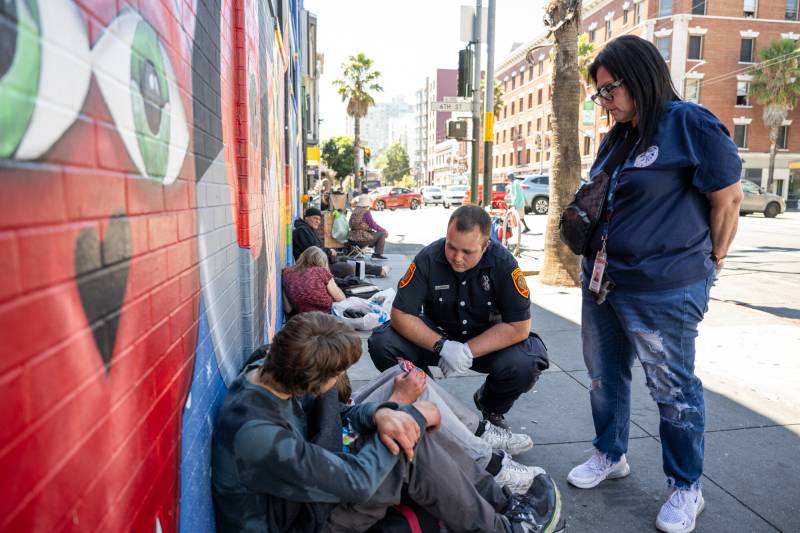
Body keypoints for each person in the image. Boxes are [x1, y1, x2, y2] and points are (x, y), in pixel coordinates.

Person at [565, 35, 743, 533]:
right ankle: (610, 453)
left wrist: (713, 263)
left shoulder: (690, 123)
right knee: (603, 375)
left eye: (609, 89)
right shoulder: (618, 135)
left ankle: (686, 487)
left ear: (639, 76)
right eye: (598, 93)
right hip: (603, 281)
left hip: (664, 287)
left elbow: (727, 200)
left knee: (672, 388)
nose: (604, 101)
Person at [211, 312, 563, 533]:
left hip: (311, 490)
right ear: (310, 380)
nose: (338, 383)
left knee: (403, 427)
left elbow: (342, 414)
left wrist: (382, 413)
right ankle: (504, 528)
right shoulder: (257, 434)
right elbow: (357, 483)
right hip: (304, 521)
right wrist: (408, 414)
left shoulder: (272, 368)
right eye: (335, 376)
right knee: (408, 444)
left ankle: (502, 503)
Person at [368, 205, 549, 432]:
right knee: (382, 342)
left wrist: (467, 350)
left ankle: (491, 405)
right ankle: (429, 399)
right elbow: (400, 313)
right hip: (437, 336)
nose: (457, 257)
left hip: (487, 341)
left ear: (486, 245)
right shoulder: (428, 259)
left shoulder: (504, 265)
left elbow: (519, 326)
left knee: (527, 361)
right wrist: (442, 346)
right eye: (451, 247)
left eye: (467, 252)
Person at [352, 361, 539, 495]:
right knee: (416, 394)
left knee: (406, 371)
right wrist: (398, 400)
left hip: (337, 416)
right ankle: (491, 466)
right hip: (345, 451)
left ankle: (477, 432)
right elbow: (335, 442)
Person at [293, 207, 388, 278]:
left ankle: (379, 270)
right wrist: (329, 251)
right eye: (314, 218)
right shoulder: (302, 231)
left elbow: (316, 248)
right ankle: (378, 271)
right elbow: (314, 251)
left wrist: (329, 251)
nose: (317, 221)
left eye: (319, 219)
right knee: (347, 267)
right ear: (306, 218)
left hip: (322, 261)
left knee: (347, 259)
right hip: (315, 267)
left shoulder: (308, 229)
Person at [282, 246, 345, 314]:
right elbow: (341, 299)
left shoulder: (286, 273)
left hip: (304, 317)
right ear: (322, 262)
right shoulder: (321, 271)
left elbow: (288, 309)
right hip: (328, 315)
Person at [349, 195, 389, 260]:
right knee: (382, 233)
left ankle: (373, 253)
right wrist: (384, 230)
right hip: (361, 240)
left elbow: (350, 224)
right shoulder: (366, 212)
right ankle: (377, 254)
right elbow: (373, 225)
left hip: (352, 239)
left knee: (374, 234)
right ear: (367, 203)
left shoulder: (354, 211)